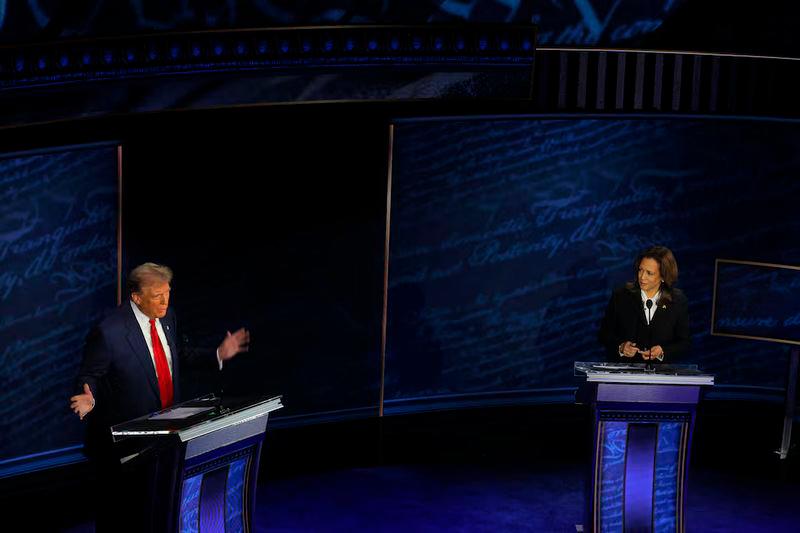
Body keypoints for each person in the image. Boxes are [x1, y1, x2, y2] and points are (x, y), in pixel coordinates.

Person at [68, 262, 250, 531]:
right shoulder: (110, 332)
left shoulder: (168, 317)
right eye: (157, 296)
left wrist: (217, 355)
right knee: (121, 519)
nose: (165, 301)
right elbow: (88, 376)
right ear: (137, 297)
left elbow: (181, 357)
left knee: (157, 515)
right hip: (122, 450)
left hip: (164, 439)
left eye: (168, 292)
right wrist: (89, 398)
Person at [598, 246, 690, 363]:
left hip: (660, 375)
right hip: (625, 373)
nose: (642, 277)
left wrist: (663, 351)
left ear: (663, 276)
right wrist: (621, 347)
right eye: (640, 270)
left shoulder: (678, 300)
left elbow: (684, 342)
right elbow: (604, 334)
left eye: (649, 273)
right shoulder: (621, 296)